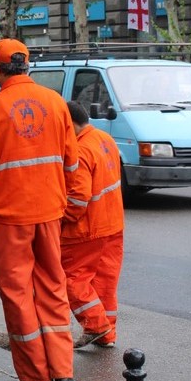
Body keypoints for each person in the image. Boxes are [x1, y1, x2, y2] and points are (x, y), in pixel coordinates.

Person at [0, 38, 80, 381]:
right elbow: (72, 162)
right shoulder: (56, 103)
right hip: (49, 213)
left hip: (8, 217)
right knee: (53, 290)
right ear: (27, 66)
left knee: (18, 296)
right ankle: (64, 375)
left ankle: (35, 379)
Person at [62, 101, 124, 348]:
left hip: (86, 230)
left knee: (72, 280)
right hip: (112, 224)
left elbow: (77, 199)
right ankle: (107, 334)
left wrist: (59, 219)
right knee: (104, 282)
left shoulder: (79, 150)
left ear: (69, 124)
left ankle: (96, 326)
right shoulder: (104, 138)